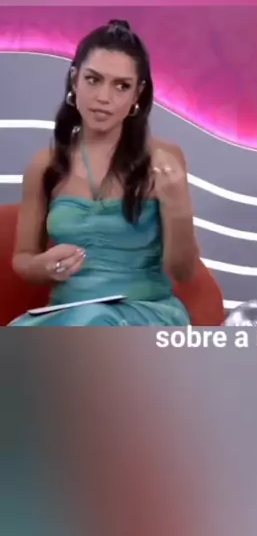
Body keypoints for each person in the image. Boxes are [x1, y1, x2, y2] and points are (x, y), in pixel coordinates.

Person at [10, 20, 199, 326]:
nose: (104, 97)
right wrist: (44, 266)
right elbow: (23, 258)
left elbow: (184, 273)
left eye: (121, 86)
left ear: (137, 93)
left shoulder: (164, 160)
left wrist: (178, 206)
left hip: (145, 313)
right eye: (93, 80)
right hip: (68, 314)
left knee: (92, 322)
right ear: (75, 80)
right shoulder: (45, 166)